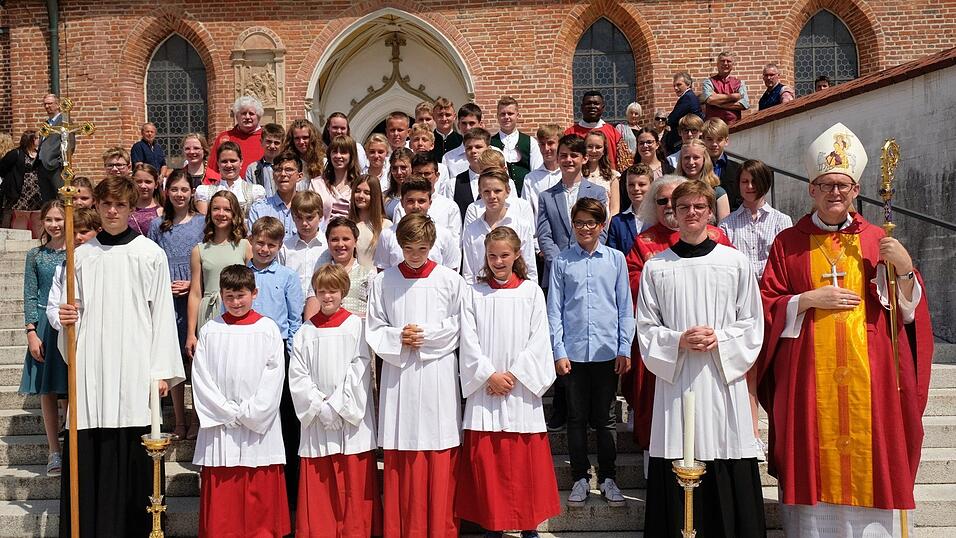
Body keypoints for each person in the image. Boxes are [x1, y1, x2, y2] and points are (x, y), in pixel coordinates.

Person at [756, 123, 933, 536]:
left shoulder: (877, 241)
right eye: (826, 184)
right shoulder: (788, 243)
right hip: (807, 380)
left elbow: (905, 316)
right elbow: (766, 302)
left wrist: (905, 269)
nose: (835, 192)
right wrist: (806, 301)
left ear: (856, 191)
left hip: (871, 381)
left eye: (843, 185)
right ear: (811, 190)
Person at [49, 175, 186, 537]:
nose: (112, 211)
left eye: (120, 205)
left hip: (134, 368)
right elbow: (69, 318)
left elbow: (162, 318)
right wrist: (66, 320)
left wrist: (160, 371)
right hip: (92, 372)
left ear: (131, 208)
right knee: (89, 455)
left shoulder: (150, 254)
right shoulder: (79, 258)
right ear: (95, 206)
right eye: (106, 204)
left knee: (132, 461)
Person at [637, 179, 766, 538]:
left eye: (698, 207)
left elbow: (753, 323)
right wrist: (678, 340)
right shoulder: (656, 267)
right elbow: (646, 328)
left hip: (722, 381)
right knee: (678, 450)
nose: (691, 214)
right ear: (672, 215)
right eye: (683, 208)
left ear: (710, 212)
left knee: (726, 448)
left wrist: (719, 337)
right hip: (677, 382)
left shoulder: (734, 262)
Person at [366, 213, 465, 537]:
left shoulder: (450, 281)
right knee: (402, 452)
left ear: (432, 245)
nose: (415, 255)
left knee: (440, 450)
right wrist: (398, 338)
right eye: (409, 248)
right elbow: (375, 327)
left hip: (437, 376)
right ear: (400, 245)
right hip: (401, 378)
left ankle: (440, 529)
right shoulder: (384, 281)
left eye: (422, 248)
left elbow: (459, 326)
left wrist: (423, 336)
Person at [457, 226, 560, 536]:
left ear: (517, 255)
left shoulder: (531, 292)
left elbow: (539, 340)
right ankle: (492, 528)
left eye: (504, 255)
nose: (498, 261)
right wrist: (489, 374)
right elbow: (468, 339)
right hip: (486, 392)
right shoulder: (474, 293)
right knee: (489, 469)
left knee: (524, 468)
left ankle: (529, 528)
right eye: (492, 256)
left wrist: (512, 376)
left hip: (520, 393)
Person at [623, 175, 733, 452]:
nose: (671, 208)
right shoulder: (645, 242)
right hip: (667, 345)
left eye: (679, 201)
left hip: (711, 341)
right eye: (663, 201)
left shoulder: (718, 239)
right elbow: (630, 283)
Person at [191, 264, 289, 538]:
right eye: (229, 296)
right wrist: (225, 411)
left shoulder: (267, 328)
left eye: (241, 295)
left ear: (254, 293)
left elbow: (274, 374)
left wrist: (250, 412)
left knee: (260, 491)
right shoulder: (210, 329)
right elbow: (201, 375)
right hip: (221, 425)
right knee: (224, 495)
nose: (235, 302)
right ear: (221, 295)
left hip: (258, 424)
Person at [547, 197, 633, 508]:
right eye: (579, 222)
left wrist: (625, 347)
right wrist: (558, 351)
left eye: (591, 223)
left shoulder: (615, 260)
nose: (585, 228)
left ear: (601, 226)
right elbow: (554, 311)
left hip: (607, 350)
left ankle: (609, 477)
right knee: (575, 417)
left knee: (606, 418)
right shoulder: (562, 262)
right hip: (573, 353)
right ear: (573, 224)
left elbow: (625, 306)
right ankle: (580, 478)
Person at [290, 263, 381, 537]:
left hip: (349, 420)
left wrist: (337, 405)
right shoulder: (305, 331)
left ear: (343, 291)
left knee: (352, 484)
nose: (327, 297)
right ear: (315, 293)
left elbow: (361, 366)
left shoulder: (356, 326)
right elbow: (298, 374)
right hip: (318, 419)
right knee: (321, 487)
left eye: (332, 291)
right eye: (321, 291)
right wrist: (319, 406)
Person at [248, 216, 306, 513]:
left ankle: (290, 490)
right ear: (251, 241)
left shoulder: (287, 276)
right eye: (260, 242)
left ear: (280, 246)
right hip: (247, 356)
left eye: (272, 244)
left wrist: (292, 353)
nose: (265, 249)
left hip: (279, 355)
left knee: (286, 420)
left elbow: (295, 320)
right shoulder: (242, 275)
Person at [148, 170, 206, 440]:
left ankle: (196, 419)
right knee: (173, 361)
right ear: (166, 192)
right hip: (167, 299)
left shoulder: (202, 223)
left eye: (184, 190)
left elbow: (209, 259)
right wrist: (164, 288)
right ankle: (179, 421)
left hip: (195, 296)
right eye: (175, 190)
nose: (180, 195)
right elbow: (149, 263)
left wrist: (194, 285)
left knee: (195, 362)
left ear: (192, 192)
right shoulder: (157, 225)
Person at [19, 200, 67, 476]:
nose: (54, 224)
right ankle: (53, 451)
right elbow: (29, 293)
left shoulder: (78, 252)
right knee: (47, 391)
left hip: (68, 321)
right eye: (49, 219)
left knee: (71, 388)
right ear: (43, 223)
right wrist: (31, 332)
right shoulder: (35, 256)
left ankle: (72, 444)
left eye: (59, 219)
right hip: (43, 327)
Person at [536, 134, 609, 293]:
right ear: (557, 158)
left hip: (591, 270)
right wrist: (560, 263)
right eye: (563, 155)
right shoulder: (546, 197)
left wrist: (583, 262)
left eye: (574, 155)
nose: (568, 159)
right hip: (556, 274)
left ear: (584, 159)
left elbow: (601, 231)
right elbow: (544, 236)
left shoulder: (598, 193)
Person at [185, 190, 252, 363]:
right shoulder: (199, 250)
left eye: (227, 209)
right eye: (216, 209)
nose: (221, 214)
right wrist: (191, 333)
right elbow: (195, 293)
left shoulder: (245, 246)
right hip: (208, 312)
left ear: (234, 213)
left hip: (237, 309)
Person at [460, 169, 537, 284]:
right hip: (481, 293)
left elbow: (530, 270)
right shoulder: (471, 230)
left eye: (497, 191)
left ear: (508, 191)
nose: (492, 196)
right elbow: (468, 273)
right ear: (480, 193)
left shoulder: (522, 226)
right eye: (486, 191)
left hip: (514, 292)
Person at [719, 159, 792, 279]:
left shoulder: (782, 221)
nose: (750, 186)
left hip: (772, 290)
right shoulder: (726, 225)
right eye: (744, 181)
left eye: (755, 181)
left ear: (765, 183)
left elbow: (788, 262)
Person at [374, 177, 461, 271]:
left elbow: (451, 272)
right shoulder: (387, 235)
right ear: (402, 203)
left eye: (421, 201)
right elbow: (382, 273)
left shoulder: (444, 235)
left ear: (430, 203)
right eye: (410, 201)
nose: (416, 206)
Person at [302, 218, 377, 320]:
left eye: (346, 239)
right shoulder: (321, 275)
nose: (340, 244)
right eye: (334, 240)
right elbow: (310, 315)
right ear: (328, 243)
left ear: (355, 242)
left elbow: (375, 313)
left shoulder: (368, 275)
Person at [443, 127, 518, 221]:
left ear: (489, 148)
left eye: (478, 147)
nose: (473, 151)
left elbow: (513, 211)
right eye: (469, 148)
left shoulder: (507, 182)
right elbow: (451, 219)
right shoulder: (453, 184)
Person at [393, 151, 462, 242]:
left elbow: (455, 243)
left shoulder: (450, 207)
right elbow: (396, 239)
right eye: (418, 174)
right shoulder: (402, 206)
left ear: (437, 176)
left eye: (427, 174)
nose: (423, 177)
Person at [278, 191, 328, 301]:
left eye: (309, 218)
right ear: (292, 217)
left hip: (322, 307)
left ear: (320, 216)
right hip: (294, 307)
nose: (304, 223)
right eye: (299, 218)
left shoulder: (328, 246)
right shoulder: (285, 248)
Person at [195, 141, 266, 216]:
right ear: (218, 163)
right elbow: (203, 223)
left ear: (241, 162)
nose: (229, 165)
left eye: (233, 161)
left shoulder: (254, 191)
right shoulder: (205, 192)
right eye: (224, 161)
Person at [490, 96, 543, 196]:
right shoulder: (490, 143)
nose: (506, 117)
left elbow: (536, 173)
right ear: (497, 116)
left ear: (517, 115)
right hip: (499, 198)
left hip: (527, 196)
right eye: (502, 114)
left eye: (510, 113)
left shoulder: (530, 142)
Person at [246, 151, 301, 240]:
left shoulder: (308, 207)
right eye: (278, 170)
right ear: (273, 175)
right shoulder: (258, 209)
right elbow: (254, 242)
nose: (283, 174)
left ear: (299, 176)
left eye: (289, 170)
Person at [564, 91, 623, 170]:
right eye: (588, 103)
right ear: (581, 107)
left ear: (603, 107)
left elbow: (624, 162)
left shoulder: (613, 133)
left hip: (608, 178)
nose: (592, 106)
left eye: (596, 103)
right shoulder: (569, 134)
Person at [209, 95, 264, 177]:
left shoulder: (267, 139)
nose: (247, 117)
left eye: (251, 114)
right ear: (237, 116)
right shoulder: (225, 138)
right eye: (243, 113)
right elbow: (212, 170)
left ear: (258, 116)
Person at [0, 130, 43, 234]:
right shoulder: (16, 153)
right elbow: (2, 167)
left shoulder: (40, 153)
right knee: (21, 215)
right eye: (36, 138)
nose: (39, 140)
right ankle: (18, 239)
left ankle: (37, 241)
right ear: (30, 140)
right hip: (20, 190)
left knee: (36, 215)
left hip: (37, 191)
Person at [313, 135, 361, 224]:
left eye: (343, 152)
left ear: (351, 155)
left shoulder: (359, 184)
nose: (338, 156)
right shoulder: (317, 184)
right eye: (334, 152)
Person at [678, 139, 731, 221]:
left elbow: (723, 228)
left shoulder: (718, 193)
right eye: (686, 158)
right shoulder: (673, 189)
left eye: (696, 157)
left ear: (704, 160)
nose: (691, 162)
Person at [607, 163, 652, 254]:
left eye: (641, 184)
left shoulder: (660, 217)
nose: (636, 188)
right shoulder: (617, 221)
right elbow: (613, 255)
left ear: (652, 185)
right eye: (631, 185)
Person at [349, 174, 391, 268]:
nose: (360, 195)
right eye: (357, 191)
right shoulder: (346, 224)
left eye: (367, 193)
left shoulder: (386, 226)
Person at [700, 118, 742, 211]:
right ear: (703, 140)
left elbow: (740, 201)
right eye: (710, 139)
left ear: (726, 141)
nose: (714, 144)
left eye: (719, 139)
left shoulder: (737, 169)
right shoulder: (695, 167)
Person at [440, 103, 489, 180]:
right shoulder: (449, 158)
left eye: (472, 123)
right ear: (458, 125)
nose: (468, 128)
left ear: (480, 124)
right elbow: (446, 188)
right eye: (464, 123)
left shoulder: (495, 152)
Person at [701, 51, 750, 125]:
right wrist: (734, 97)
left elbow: (745, 104)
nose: (725, 63)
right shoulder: (708, 82)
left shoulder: (739, 83)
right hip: (713, 126)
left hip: (733, 125)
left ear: (733, 65)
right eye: (722, 61)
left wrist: (718, 103)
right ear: (717, 64)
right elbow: (710, 99)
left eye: (729, 61)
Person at [583, 130, 621, 216]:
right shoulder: (577, 174)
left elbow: (614, 209)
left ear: (604, 150)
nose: (593, 150)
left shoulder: (613, 176)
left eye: (598, 147)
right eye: (590, 146)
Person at [664, 72, 704, 154]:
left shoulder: (687, 97)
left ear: (688, 84)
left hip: (684, 140)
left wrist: (668, 119)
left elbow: (672, 119)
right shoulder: (688, 97)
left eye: (679, 85)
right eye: (674, 86)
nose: (675, 88)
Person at [244, 123, 285, 197]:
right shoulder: (252, 169)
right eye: (268, 142)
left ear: (282, 145)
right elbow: (249, 196)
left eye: (276, 143)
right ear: (261, 142)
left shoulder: (287, 168)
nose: (272, 146)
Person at [128, 163, 163, 234]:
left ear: (156, 184)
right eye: (139, 182)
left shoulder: (162, 212)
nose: (143, 186)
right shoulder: (125, 209)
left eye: (148, 182)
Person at [383, 147, 413, 219]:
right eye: (395, 168)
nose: (399, 172)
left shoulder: (420, 196)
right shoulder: (384, 197)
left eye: (403, 167)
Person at [432, 96, 462, 163]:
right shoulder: (427, 141)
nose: (444, 119)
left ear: (454, 117)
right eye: (440, 115)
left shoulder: (462, 141)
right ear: (433, 117)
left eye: (448, 115)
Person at [615, 101, 644, 167]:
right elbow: (619, 145)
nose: (633, 116)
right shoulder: (620, 128)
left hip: (640, 162)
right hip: (626, 162)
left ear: (639, 115)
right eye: (631, 113)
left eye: (636, 114)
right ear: (628, 114)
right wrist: (631, 153)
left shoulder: (642, 130)